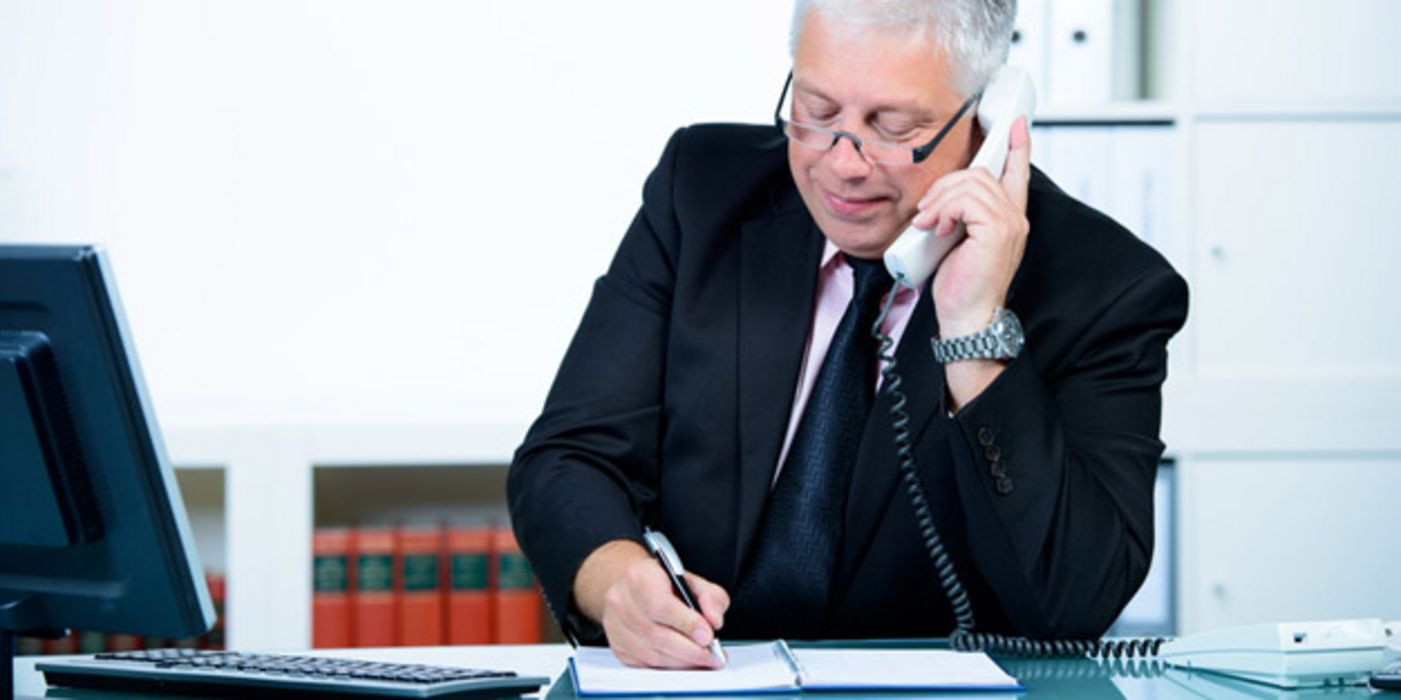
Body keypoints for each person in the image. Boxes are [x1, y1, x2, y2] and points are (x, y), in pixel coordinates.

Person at [508, 0, 1188, 669]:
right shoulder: (703, 189)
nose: (842, 163)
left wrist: (974, 331)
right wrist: (614, 579)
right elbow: (568, 456)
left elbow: (1076, 600)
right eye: (816, 112)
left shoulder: (1106, 287)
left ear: (989, 118)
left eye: (892, 126)